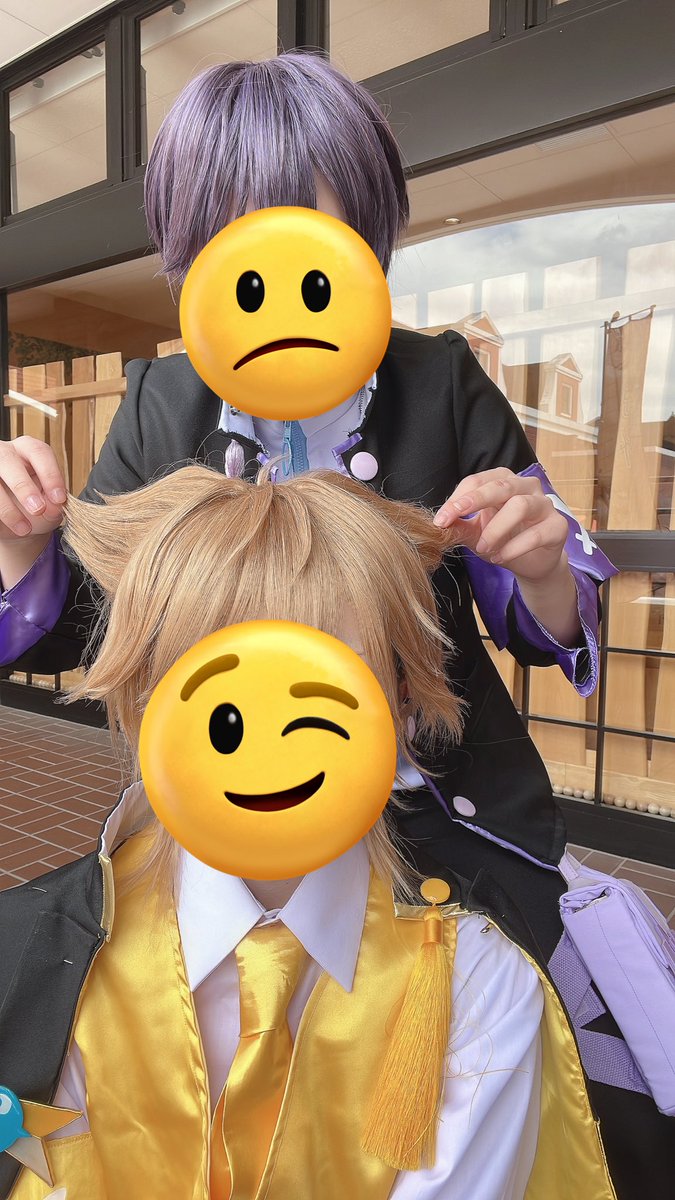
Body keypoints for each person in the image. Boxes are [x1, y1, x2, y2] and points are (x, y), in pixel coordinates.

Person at [2, 52, 667, 1195]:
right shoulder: (162, 399)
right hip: (223, 794)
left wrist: (538, 560)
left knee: (494, 1022)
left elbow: (533, 615)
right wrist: (24, 551)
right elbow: (96, 624)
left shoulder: (441, 379)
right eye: (236, 239)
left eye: (318, 231)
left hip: (436, 804)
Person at [0, 466, 615, 1200]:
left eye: (319, 697)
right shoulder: (43, 962)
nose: (271, 742)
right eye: (225, 704)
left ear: (402, 701)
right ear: (144, 699)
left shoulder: (478, 984)